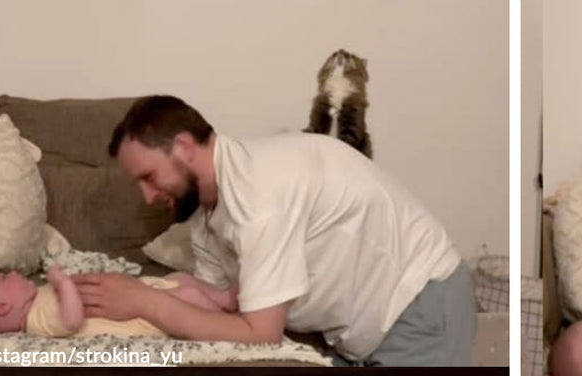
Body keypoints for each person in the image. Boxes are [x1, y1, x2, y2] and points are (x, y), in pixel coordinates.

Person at [71, 95, 476, 366]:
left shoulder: (259, 194)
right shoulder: (208, 213)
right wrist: (163, 292)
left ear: (183, 148)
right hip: (362, 330)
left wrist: (145, 302)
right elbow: (221, 308)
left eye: (149, 177)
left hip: (417, 307)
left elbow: (259, 333)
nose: (146, 197)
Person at [0, 265, 234, 337]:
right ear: (1, 308)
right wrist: (63, 283)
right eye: (3, 278)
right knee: (189, 296)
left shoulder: (36, 298)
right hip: (142, 317)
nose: (12, 273)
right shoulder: (36, 319)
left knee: (179, 278)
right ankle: (227, 322)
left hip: (136, 295)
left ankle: (223, 298)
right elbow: (71, 320)